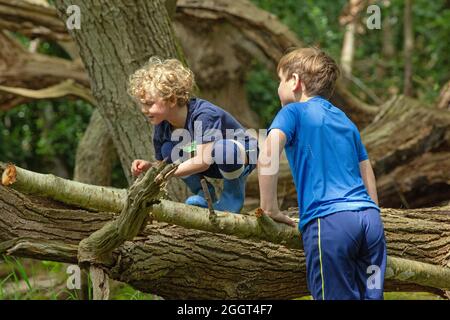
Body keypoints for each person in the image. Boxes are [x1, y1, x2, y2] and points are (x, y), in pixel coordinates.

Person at [257, 47, 387, 300]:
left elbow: (269, 152)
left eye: (280, 80)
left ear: (294, 81)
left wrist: (269, 208)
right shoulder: (345, 119)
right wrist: (374, 210)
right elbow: (366, 168)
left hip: (330, 223)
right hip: (370, 224)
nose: (277, 88)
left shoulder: (292, 112)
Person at [128, 57, 257, 213]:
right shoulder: (162, 125)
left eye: (149, 103)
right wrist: (150, 167)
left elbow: (202, 161)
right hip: (212, 161)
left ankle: (232, 197)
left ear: (172, 100)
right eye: (142, 104)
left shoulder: (204, 115)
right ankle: (204, 193)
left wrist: (166, 174)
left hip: (242, 153)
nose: (143, 109)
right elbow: (163, 164)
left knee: (224, 149)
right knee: (169, 150)